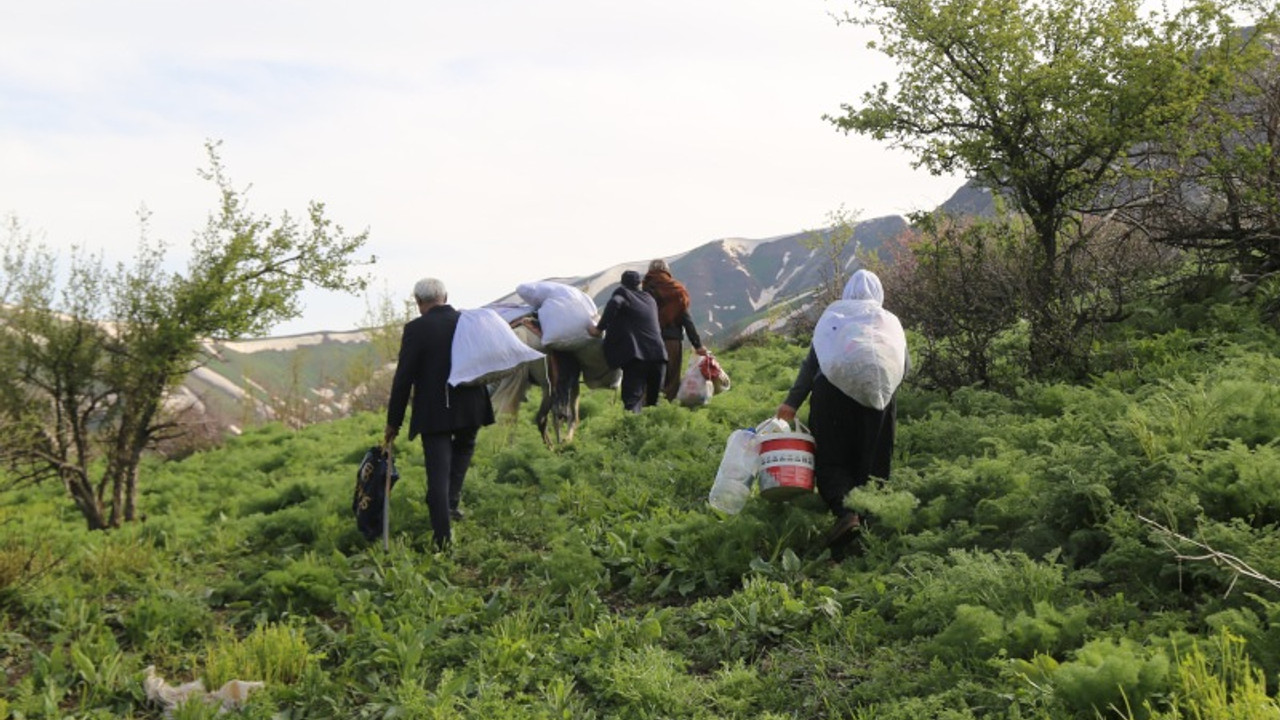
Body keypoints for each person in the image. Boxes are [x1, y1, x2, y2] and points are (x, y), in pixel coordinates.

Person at [775, 269, 905, 549]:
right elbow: (903, 365)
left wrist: (791, 403)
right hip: (880, 395)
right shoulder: (889, 322)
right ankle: (867, 525)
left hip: (831, 394)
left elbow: (812, 363)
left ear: (846, 292)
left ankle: (847, 515)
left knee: (832, 458)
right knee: (873, 459)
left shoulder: (834, 317)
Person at [384, 277, 494, 550]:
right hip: (471, 405)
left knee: (438, 472)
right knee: (464, 448)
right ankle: (450, 503)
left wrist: (393, 423)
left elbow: (403, 379)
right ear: (445, 296)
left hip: (435, 411)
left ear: (419, 302)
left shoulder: (416, 329)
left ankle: (443, 538)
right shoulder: (467, 322)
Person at [588, 270, 667, 413]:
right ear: (640, 284)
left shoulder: (623, 294)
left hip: (637, 356)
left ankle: (633, 432)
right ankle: (654, 432)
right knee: (654, 403)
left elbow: (614, 302)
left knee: (633, 400)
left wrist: (599, 329)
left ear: (623, 284)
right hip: (659, 355)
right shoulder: (649, 298)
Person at [642, 259, 708, 403]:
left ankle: (646, 412)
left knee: (649, 378)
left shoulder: (644, 291)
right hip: (671, 341)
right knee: (671, 379)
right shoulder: (676, 291)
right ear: (667, 271)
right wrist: (697, 345)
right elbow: (686, 319)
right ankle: (667, 411)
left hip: (648, 342)